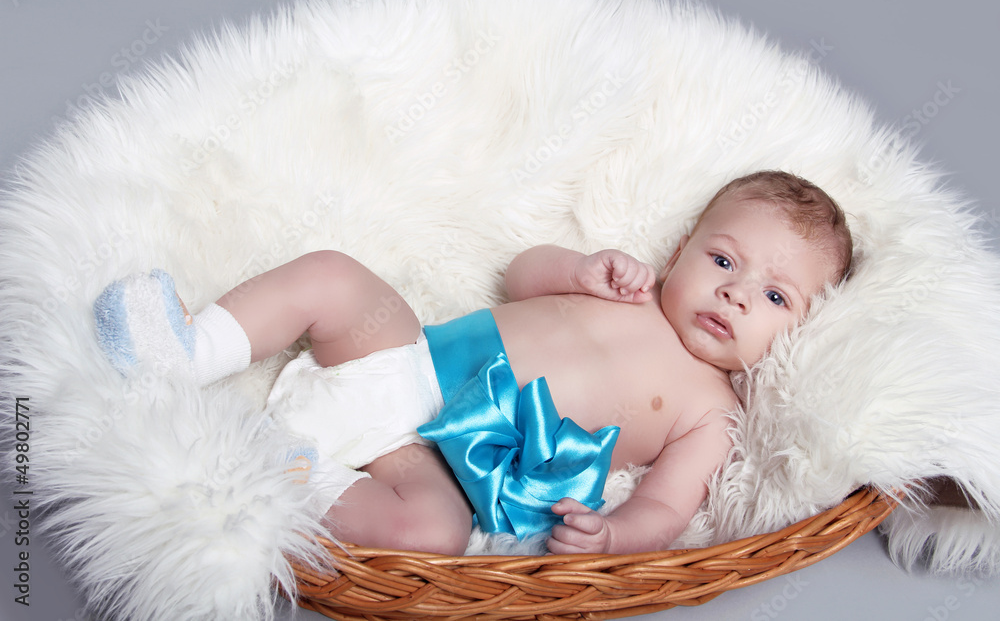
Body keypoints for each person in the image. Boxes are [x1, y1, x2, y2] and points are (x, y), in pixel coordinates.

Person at [93, 170, 852, 556]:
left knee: (431, 534)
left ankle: (284, 471)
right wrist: (577, 268)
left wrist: (615, 536)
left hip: (435, 459)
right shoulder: (631, 287)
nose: (735, 293)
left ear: (802, 329)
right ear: (683, 245)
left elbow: (666, 505)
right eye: (723, 259)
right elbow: (519, 279)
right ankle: (189, 351)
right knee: (332, 275)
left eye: (775, 296)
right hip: (402, 358)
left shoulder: (712, 411)